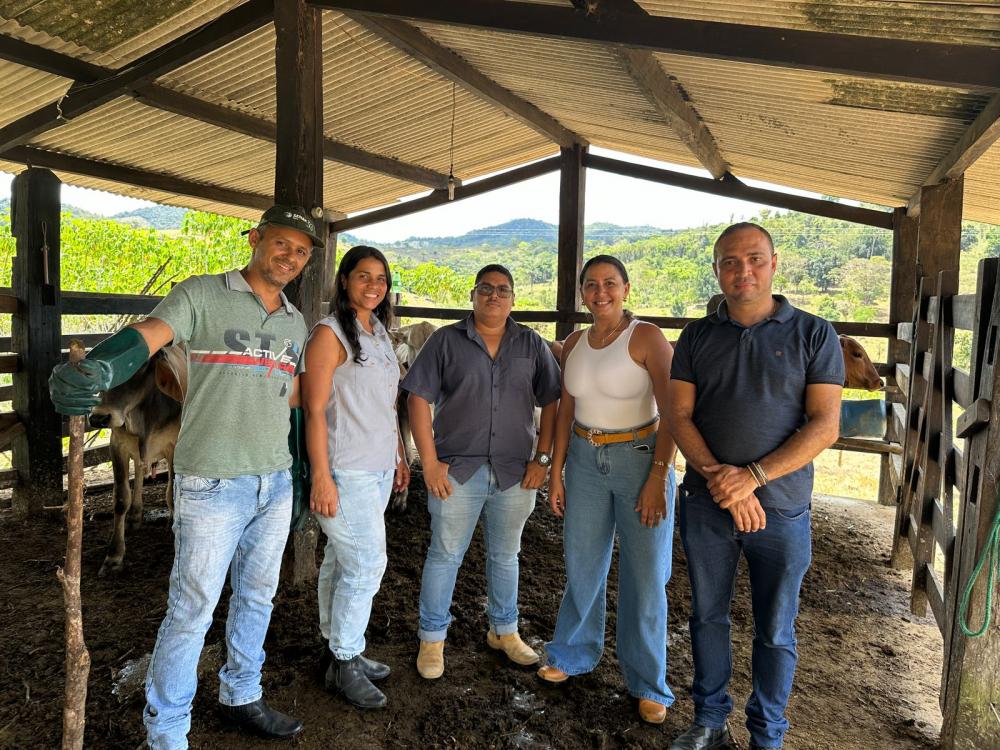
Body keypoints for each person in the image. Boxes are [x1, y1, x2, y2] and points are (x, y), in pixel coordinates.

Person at [49, 205, 323, 749]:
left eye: (301, 251)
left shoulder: (295, 321)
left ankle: (241, 693)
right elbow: (150, 333)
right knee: (192, 609)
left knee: (257, 597)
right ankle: (168, 732)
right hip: (213, 484)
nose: (290, 256)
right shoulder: (201, 294)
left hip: (273, 480)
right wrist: (102, 367)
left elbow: (285, 392)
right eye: (281, 243)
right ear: (255, 239)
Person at [665, 223, 843, 750]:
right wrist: (724, 481)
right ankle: (710, 721)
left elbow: (825, 425)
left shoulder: (814, 334)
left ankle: (767, 733)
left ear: (774, 263)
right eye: (730, 261)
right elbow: (678, 415)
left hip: (782, 508)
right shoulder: (697, 336)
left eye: (754, 259)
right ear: (716, 269)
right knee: (706, 615)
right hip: (708, 504)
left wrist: (753, 479)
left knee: (776, 627)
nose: (743, 270)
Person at [401, 263, 561, 679]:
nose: (494, 295)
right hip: (457, 471)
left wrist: (542, 459)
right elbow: (417, 398)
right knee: (444, 555)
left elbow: (553, 401)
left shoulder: (531, 343)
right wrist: (428, 461)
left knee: (506, 555)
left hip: (515, 472)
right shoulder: (445, 340)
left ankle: (504, 631)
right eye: (485, 288)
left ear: (513, 299)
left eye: (503, 289)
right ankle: (432, 639)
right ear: (473, 295)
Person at [538, 254, 677, 726]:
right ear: (582, 293)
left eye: (610, 283)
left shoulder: (647, 337)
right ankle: (571, 652)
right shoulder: (575, 343)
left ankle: (648, 682)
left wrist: (658, 475)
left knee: (645, 573)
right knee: (582, 561)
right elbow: (565, 410)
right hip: (583, 458)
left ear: (626, 288)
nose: (601, 293)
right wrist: (556, 471)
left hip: (639, 459)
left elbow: (673, 412)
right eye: (592, 285)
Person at [301, 245, 410, 710]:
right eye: (363, 276)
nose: (373, 285)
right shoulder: (329, 334)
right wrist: (321, 476)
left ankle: (336, 647)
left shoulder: (378, 331)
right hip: (345, 469)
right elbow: (314, 410)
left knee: (341, 560)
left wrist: (400, 454)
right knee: (367, 564)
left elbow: (387, 403)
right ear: (344, 280)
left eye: (381, 278)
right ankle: (346, 659)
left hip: (379, 466)